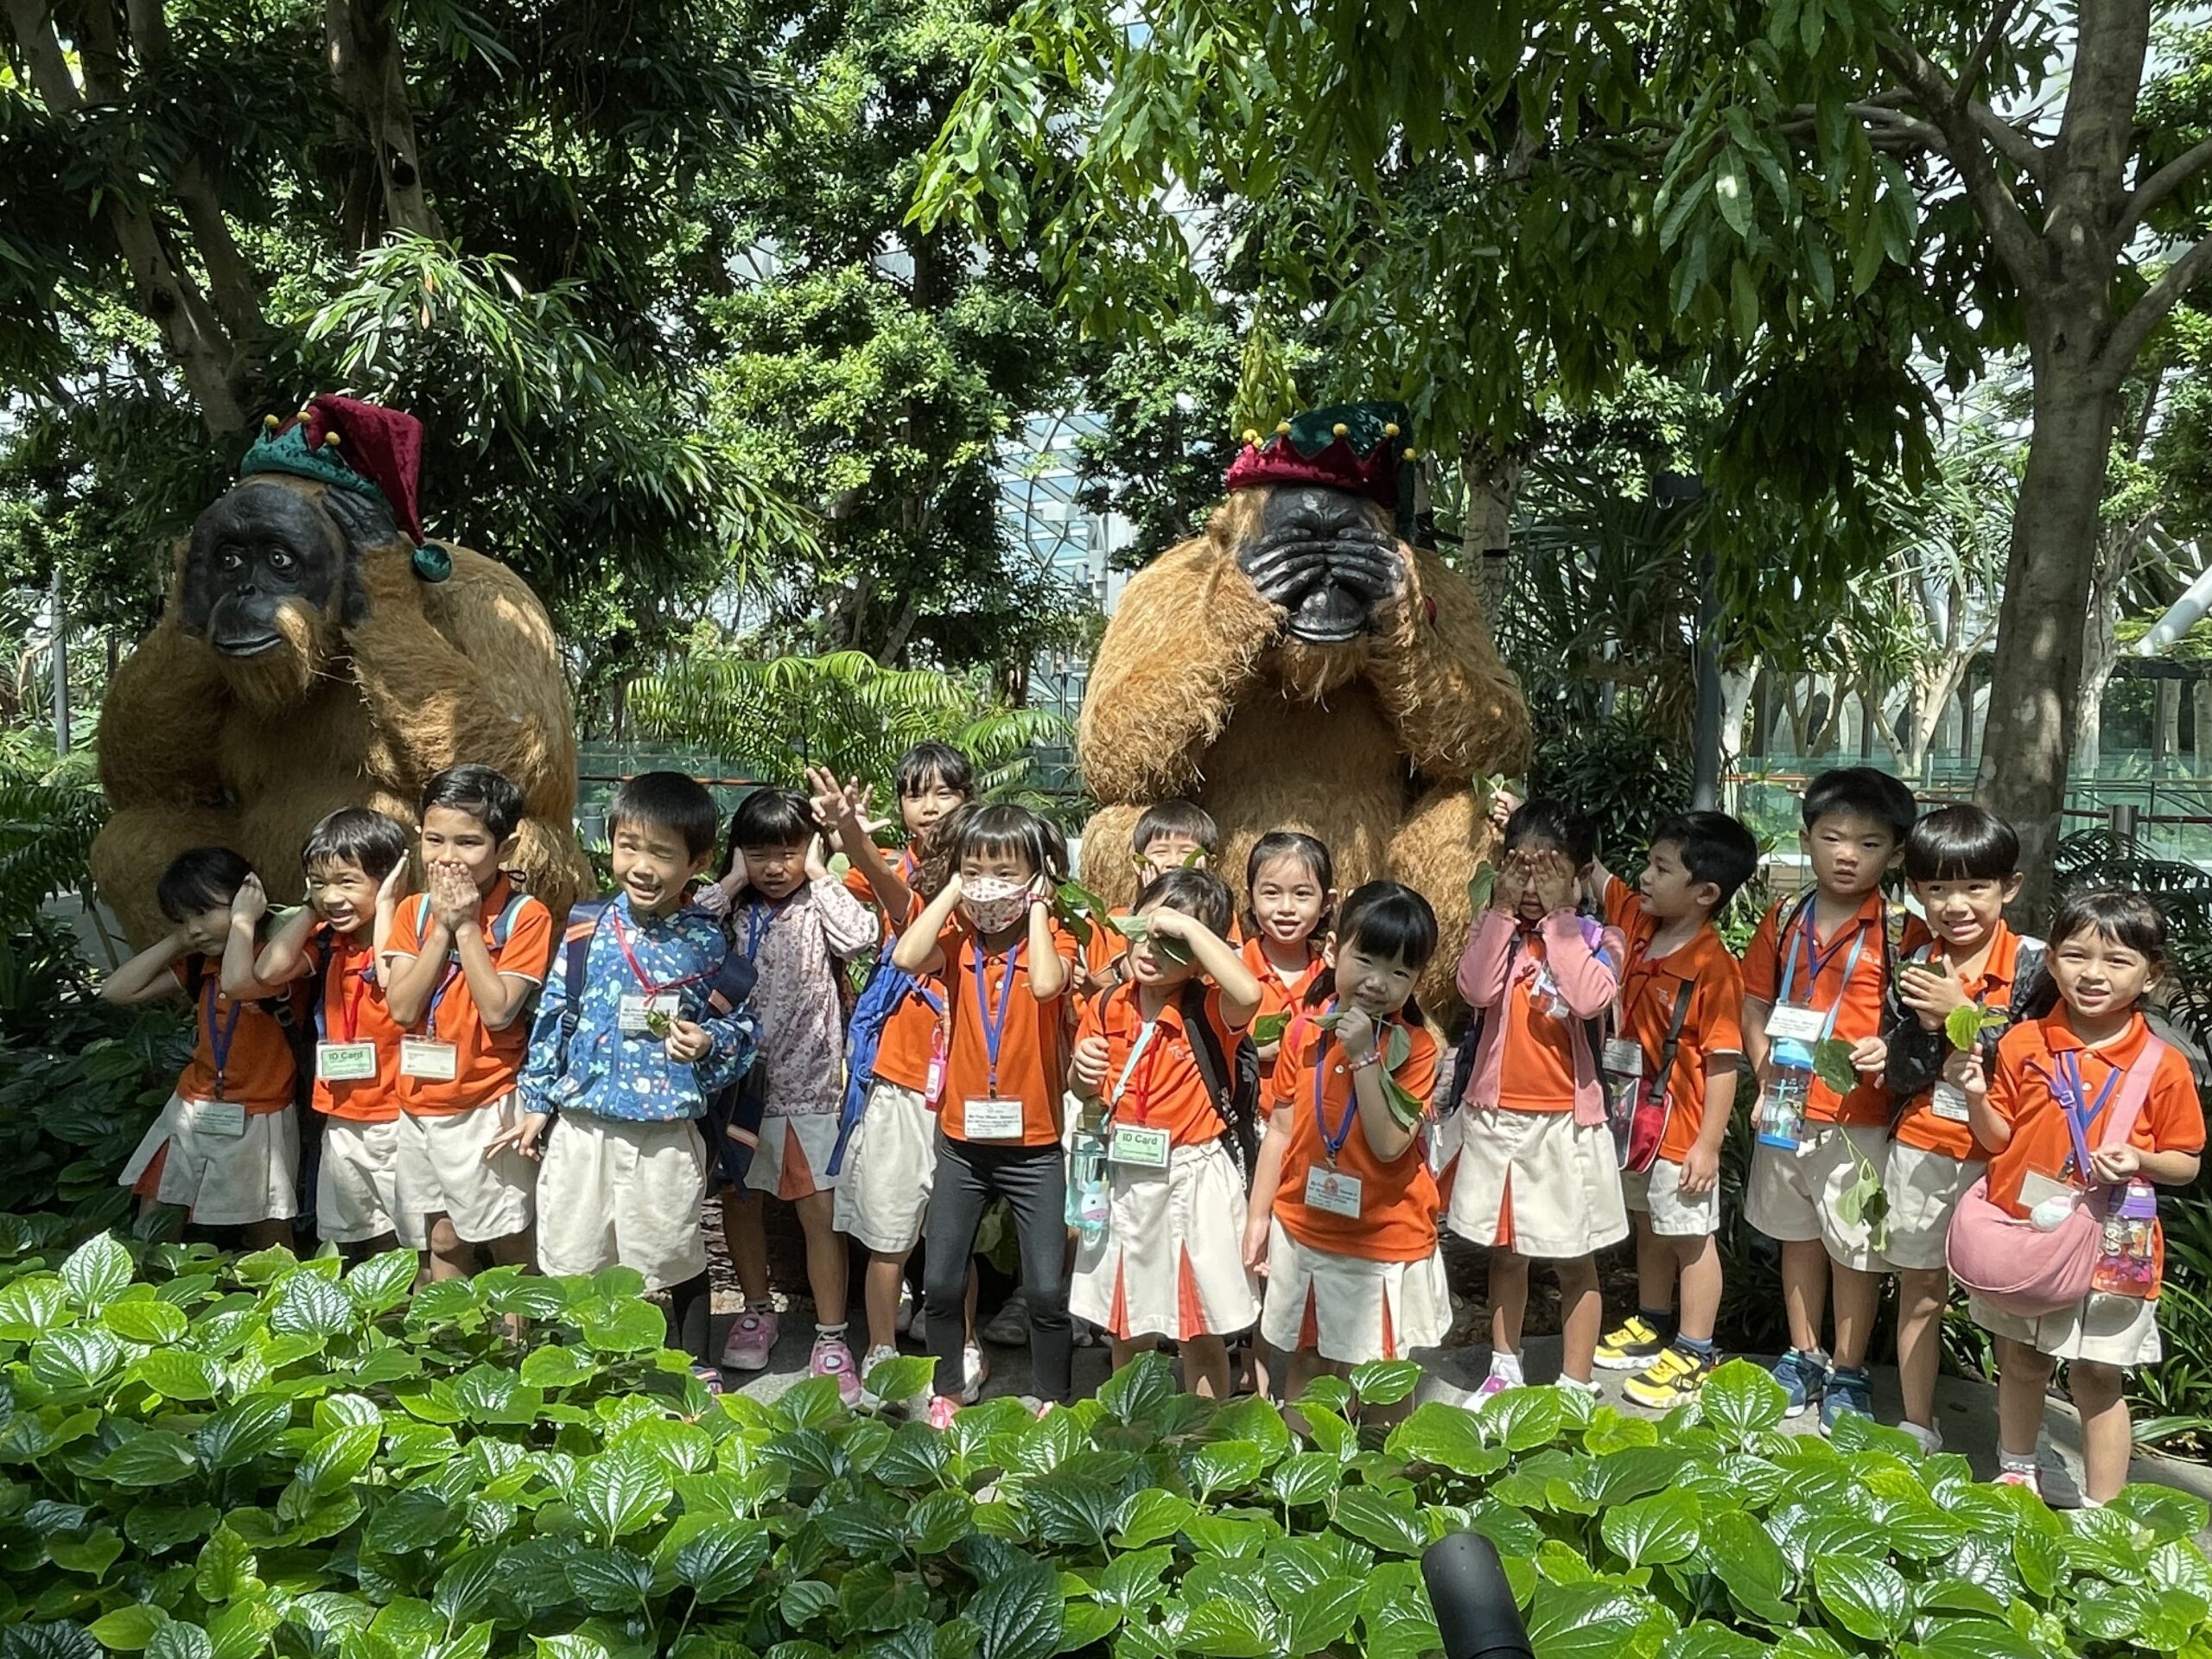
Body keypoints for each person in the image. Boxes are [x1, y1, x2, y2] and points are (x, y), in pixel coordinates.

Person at [503, 772, 759, 1370]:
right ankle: (572, 1368)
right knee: (571, 1252)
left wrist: (709, 1042)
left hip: (664, 1133)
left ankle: (692, 1371)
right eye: (628, 847)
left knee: (675, 1252)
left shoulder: (707, 944)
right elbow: (555, 1013)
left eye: (662, 853)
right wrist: (537, 1101)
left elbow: (745, 1031)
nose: (641, 866)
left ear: (696, 861)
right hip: (583, 1124)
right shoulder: (587, 927)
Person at [1960, 888, 2203, 1504]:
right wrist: (1974, 1098)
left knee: (2098, 1376)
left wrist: (2142, 1160)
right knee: (2020, 1359)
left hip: (2112, 1246)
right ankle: (2016, 1472)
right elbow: (1998, 1141)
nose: (2093, 974)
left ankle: (2103, 1509)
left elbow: (2186, 1162)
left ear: (2153, 976)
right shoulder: (2023, 1044)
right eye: (2076, 955)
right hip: (2027, 1233)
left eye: (2117, 961)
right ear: (2052, 962)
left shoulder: (2162, 1064)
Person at [1741, 766, 1916, 1427]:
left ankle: (1848, 1368)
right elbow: (1756, 1002)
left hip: (1858, 1119)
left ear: (1896, 853)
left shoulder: (1901, 933)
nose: (1848, 854)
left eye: (1870, 844)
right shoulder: (1784, 916)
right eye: (1833, 837)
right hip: (1784, 1109)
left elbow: (1918, 1032)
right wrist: (1766, 1076)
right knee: (1798, 1237)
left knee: (1856, 1249)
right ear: (1807, 837)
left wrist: (1889, 1051)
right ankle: (1801, 1352)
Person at [892, 802, 1077, 1423]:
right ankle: (947, 1391)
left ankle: (1054, 1399)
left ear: (1034, 876)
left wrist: (1042, 910)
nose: (988, 885)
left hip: (1035, 1145)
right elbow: (905, 957)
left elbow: (1049, 985)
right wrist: (951, 891)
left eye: (1004, 872)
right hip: (962, 1143)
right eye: (976, 870)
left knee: (1047, 1290)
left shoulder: (1056, 937)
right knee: (941, 1283)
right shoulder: (956, 939)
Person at [812, 745, 986, 1395]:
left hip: (970, 1087)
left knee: (956, 1239)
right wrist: (847, 833)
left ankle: (961, 1344)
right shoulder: (901, 877)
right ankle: (882, 1348)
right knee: (888, 1231)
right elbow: (870, 880)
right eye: (917, 794)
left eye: (946, 792)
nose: (932, 805)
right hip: (901, 1078)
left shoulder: (996, 872)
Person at [1446, 800, 1627, 1396]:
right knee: (1506, 1252)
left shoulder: (1602, 939)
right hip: (1497, 1120)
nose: (1531, 885)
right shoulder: (1495, 929)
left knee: (1575, 1258)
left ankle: (1576, 1383)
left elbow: (1588, 999)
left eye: (1548, 871)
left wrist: (1562, 920)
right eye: (1518, 869)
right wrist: (1500, 912)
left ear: (1579, 875)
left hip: (1566, 1128)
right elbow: (1474, 988)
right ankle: (1504, 1367)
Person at [1244, 881, 1446, 1414]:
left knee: (1380, 1375)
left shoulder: (1418, 1050)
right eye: (1366, 959)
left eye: (1401, 971)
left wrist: (1363, 1057)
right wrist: (1258, 1218)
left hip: (1383, 1236)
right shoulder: (1301, 1033)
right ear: (1333, 950)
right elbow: (1281, 1131)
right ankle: (1305, 1481)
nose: (1379, 982)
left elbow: (1388, 1145)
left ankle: (1377, 1485)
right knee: (1308, 1361)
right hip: (1306, 1225)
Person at [1069, 867, 1263, 1397]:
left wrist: (1188, 928)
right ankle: (1133, 1435)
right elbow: (1084, 1091)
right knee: (1127, 1325)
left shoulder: (1209, 1010)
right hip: (1124, 1177)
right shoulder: (1108, 1004)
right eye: (1146, 931)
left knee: (1197, 1329)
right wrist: (1080, 1073)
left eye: (1173, 942)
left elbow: (1248, 990)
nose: (1153, 948)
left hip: (1191, 1180)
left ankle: (1203, 1444)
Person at [1880, 804, 2039, 1452]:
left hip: (2003, 1158)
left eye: (1975, 887)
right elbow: (1903, 1073)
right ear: (1916, 891)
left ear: (2010, 887)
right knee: (1919, 1287)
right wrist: (1901, 1043)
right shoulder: (1913, 961)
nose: (1956, 904)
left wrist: (1964, 1012)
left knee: (2008, 1308)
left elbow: (2040, 1063)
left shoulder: (2039, 968)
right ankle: (1919, 1422)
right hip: (1923, 1148)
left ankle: (2017, 1449)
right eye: (1938, 888)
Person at [711, 786, 877, 1398]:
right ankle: (757, 1310)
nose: (775, 868)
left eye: (789, 851)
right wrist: (731, 882)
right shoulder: (730, 910)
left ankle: (832, 1336)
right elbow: (687, 926)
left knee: (818, 1213)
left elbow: (861, 936)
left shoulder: (817, 903)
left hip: (809, 1090)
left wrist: (821, 870)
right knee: (741, 1201)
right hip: (736, 1086)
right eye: (759, 854)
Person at [1589, 810, 1758, 1406]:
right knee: (1648, 1222)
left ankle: (1695, 1348)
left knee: (1691, 1236)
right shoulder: (1638, 917)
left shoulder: (1715, 968)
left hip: (1681, 1131)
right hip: (1632, 1122)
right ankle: (1653, 1320)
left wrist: (1708, 1146)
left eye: (1662, 868)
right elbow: (1594, 872)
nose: (1645, 876)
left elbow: (1722, 1064)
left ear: (1705, 893)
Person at [383, 765, 556, 1280]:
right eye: (434, 840)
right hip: (418, 1102)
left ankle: (515, 1347)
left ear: (504, 848)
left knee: (506, 1236)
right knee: (441, 1237)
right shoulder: (413, 912)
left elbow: (499, 1009)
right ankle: (451, 1352)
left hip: (487, 1102)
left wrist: (467, 928)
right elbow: (402, 1008)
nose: (448, 857)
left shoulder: (525, 916)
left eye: (468, 842)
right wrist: (441, 924)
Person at [109, 848, 302, 1248]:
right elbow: (115, 991)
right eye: (184, 917)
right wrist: (179, 940)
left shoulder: (277, 958)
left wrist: (244, 922)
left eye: (202, 912)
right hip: (192, 1105)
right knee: (159, 1211)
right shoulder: (199, 965)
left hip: (261, 1112)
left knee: (269, 1228)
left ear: (249, 894)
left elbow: (239, 983)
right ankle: (147, 1290)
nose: (195, 928)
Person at [249, 808, 412, 1259]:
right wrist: (309, 907)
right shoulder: (327, 941)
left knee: (413, 1235)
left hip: (401, 1114)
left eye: (347, 882)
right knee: (359, 1232)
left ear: (391, 876)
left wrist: (386, 906)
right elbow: (267, 971)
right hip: (341, 1113)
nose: (333, 897)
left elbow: (387, 977)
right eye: (319, 883)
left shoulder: (409, 930)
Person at [1242, 831, 1334, 1085]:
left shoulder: (1334, 980)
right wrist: (1253, 1052)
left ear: (1327, 902)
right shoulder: (1230, 970)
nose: (1286, 908)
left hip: (1312, 1121)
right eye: (1271, 893)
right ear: (1250, 898)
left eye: (1302, 894)